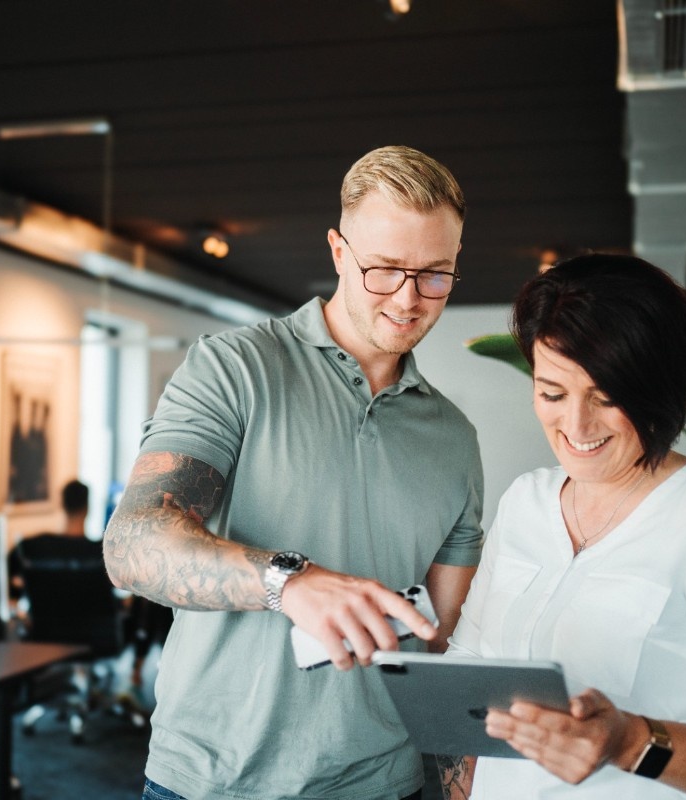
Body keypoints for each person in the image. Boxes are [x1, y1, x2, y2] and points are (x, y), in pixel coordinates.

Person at [103, 145, 485, 800]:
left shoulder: (454, 439)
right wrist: (289, 582)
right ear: (339, 252)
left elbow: (447, 644)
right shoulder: (233, 368)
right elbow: (133, 544)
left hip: (382, 785)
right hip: (211, 784)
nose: (409, 298)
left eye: (435, 275)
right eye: (385, 270)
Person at [439, 255, 686, 799]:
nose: (576, 426)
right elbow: (470, 669)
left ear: (658, 389)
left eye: (607, 397)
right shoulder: (526, 501)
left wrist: (629, 742)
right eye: (552, 394)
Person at [8, 478, 94, 599]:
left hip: (44, 616)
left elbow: (12, 581)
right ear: (87, 508)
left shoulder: (35, 547)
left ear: (62, 505)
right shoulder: (97, 554)